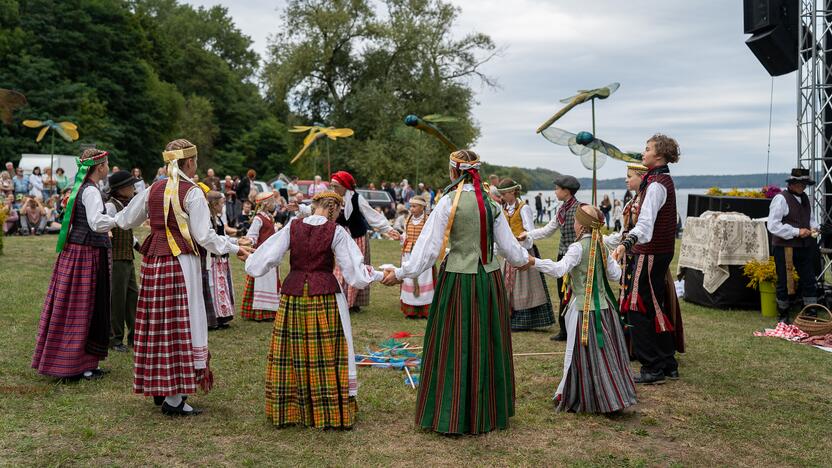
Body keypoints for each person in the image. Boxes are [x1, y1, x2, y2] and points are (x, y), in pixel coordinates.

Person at [381, 149, 533, 435]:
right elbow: (511, 251)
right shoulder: (492, 203)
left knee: (455, 341)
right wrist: (528, 260)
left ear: (454, 171)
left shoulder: (448, 202)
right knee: (486, 341)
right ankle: (485, 410)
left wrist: (401, 273)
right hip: (489, 281)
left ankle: (451, 412)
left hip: (458, 280)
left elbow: (427, 251)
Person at [112, 139, 251, 416]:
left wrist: (99, 223)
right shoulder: (193, 192)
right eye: (195, 161)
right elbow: (204, 236)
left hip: (154, 264)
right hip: (180, 264)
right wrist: (234, 248)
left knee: (157, 324)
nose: (196, 165)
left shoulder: (153, 188)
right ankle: (174, 399)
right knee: (181, 324)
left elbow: (126, 219)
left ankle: (160, 387)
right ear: (189, 162)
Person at [246, 191, 383, 429]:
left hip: (294, 295)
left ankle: (291, 409)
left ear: (315, 206)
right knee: (325, 354)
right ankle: (326, 411)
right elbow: (354, 272)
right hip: (324, 296)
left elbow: (268, 256)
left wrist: (251, 262)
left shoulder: (293, 227)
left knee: (293, 351)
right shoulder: (336, 231)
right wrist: (380, 274)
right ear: (335, 209)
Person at [531, 205, 637, 413]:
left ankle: (568, 393)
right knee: (606, 353)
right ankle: (610, 394)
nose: (573, 222)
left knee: (572, 353)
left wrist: (533, 261)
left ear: (580, 224)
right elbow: (615, 276)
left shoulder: (577, 248)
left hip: (582, 310)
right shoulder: (601, 245)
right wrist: (612, 260)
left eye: (576, 220)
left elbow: (560, 269)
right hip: (605, 310)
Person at [32, 148, 113, 380]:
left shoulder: (82, 188)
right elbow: (96, 223)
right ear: (100, 167)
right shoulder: (91, 192)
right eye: (106, 164)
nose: (107, 168)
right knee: (83, 308)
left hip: (75, 252)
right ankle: (78, 365)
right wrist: (118, 219)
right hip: (86, 254)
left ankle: (82, 363)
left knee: (75, 307)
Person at [613, 134, 683, 385]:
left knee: (637, 307)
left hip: (650, 251)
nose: (643, 153)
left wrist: (626, 243)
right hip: (658, 251)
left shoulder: (656, 185)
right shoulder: (658, 180)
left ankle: (652, 366)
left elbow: (645, 225)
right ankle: (667, 363)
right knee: (654, 305)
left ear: (660, 155)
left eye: (647, 149)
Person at [322, 171, 400, 312]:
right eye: (332, 186)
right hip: (340, 238)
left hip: (357, 238)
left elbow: (372, 215)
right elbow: (319, 210)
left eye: (336, 186)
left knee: (357, 267)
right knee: (340, 268)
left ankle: (354, 302)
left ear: (345, 186)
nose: (333, 189)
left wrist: (387, 229)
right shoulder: (331, 199)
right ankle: (340, 299)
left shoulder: (357, 198)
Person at [518, 174, 582, 341]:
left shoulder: (581, 209)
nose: (554, 191)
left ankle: (577, 329)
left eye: (557, 188)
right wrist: (527, 234)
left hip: (577, 255)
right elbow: (547, 230)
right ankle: (564, 331)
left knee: (577, 293)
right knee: (563, 294)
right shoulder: (562, 209)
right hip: (563, 254)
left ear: (566, 191)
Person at [498, 179, 555, 331]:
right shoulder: (504, 208)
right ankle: (510, 316)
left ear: (513, 192)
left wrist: (521, 246)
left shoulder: (524, 208)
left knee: (524, 286)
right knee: (508, 285)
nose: (502, 197)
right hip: (509, 252)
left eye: (504, 194)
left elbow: (530, 234)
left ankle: (524, 320)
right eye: (501, 194)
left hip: (524, 252)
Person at [767, 168, 820, 324]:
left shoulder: (806, 199)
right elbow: (773, 225)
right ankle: (783, 316)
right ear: (791, 184)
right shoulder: (780, 199)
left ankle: (810, 314)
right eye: (798, 183)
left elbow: (810, 220)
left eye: (804, 183)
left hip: (803, 246)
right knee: (783, 282)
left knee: (809, 279)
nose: (801, 186)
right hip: (784, 247)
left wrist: (814, 228)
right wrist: (797, 231)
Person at [105, 170, 141, 353]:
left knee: (133, 298)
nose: (133, 188)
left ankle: (135, 336)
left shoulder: (125, 205)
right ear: (120, 189)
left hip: (127, 257)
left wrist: (139, 246)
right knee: (117, 300)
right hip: (116, 258)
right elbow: (106, 229)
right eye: (130, 186)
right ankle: (115, 338)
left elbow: (128, 233)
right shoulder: (111, 206)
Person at [240, 191, 282, 321]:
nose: (274, 204)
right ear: (265, 203)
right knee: (261, 282)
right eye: (272, 201)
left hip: (270, 254)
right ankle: (259, 312)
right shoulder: (259, 218)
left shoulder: (269, 217)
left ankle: (269, 311)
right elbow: (252, 235)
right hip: (262, 254)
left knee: (269, 282)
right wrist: (249, 244)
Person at [399, 195, 435, 319]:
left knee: (423, 278)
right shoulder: (408, 219)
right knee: (409, 278)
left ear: (422, 207)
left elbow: (431, 236)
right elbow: (406, 234)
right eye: (411, 207)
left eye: (414, 206)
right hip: (409, 252)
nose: (412, 209)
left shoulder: (427, 220)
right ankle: (411, 310)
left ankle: (424, 309)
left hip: (422, 253)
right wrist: (402, 238)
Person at [206, 191, 236, 328]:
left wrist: (237, 241)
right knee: (214, 286)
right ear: (214, 204)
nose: (223, 206)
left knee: (222, 286)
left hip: (221, 257)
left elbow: (223, 236)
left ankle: (222, 315)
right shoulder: (208, 219)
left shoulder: (218, 218)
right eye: (222, 203)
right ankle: (215, 318)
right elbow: (213, 239)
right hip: (213, 258)